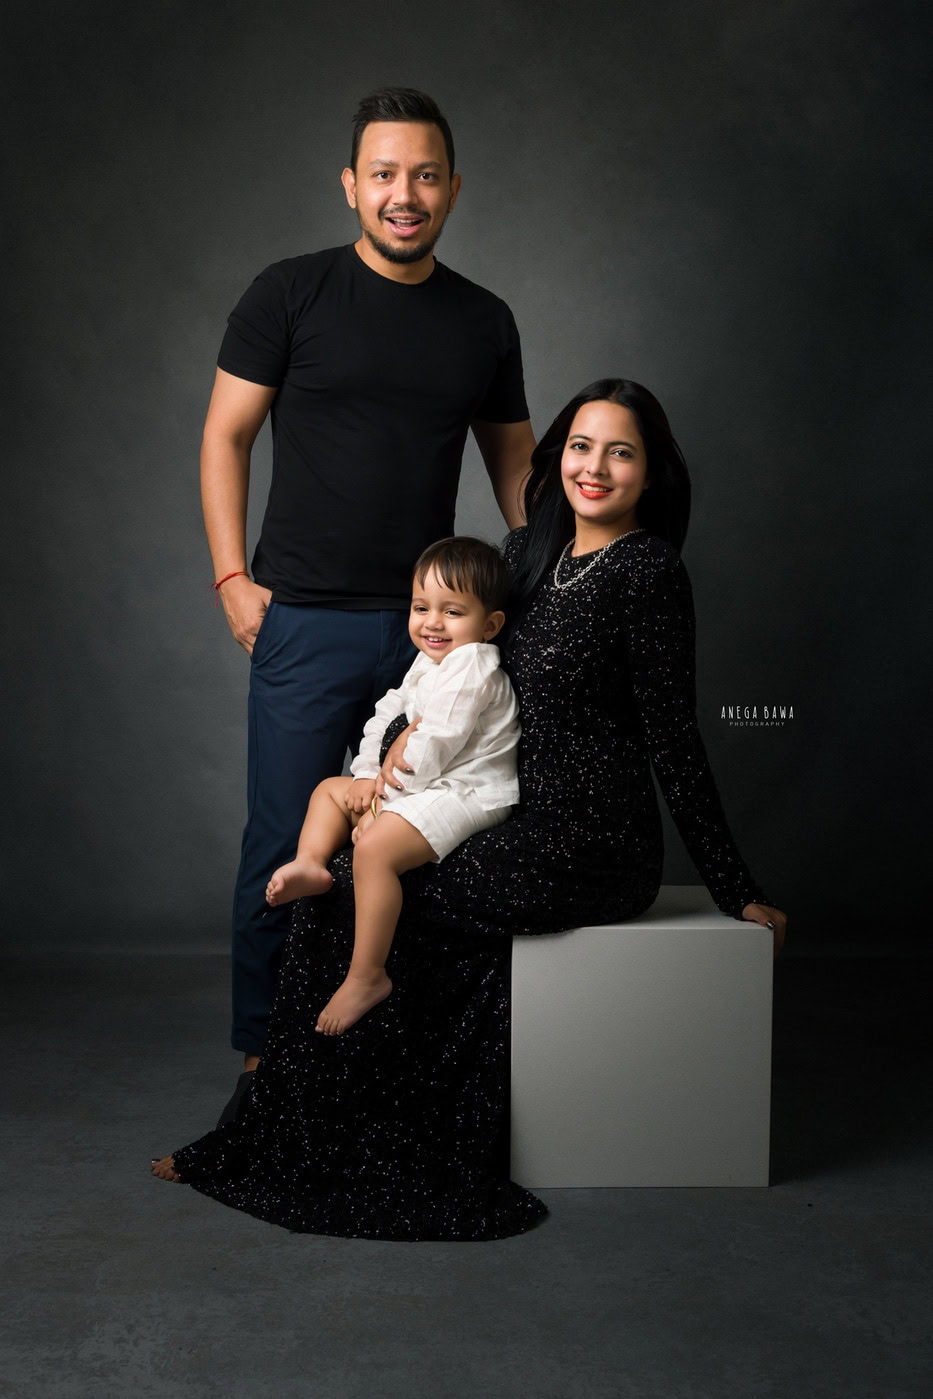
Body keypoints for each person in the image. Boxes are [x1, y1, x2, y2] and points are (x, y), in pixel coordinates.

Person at [152, 378, 787, 1242]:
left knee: (363, 892)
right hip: (498, 812)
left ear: (650, 472)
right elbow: (446, 666)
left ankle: (348, 1143)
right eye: (579, 445)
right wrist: (390, 758)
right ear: (555, 454)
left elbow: (673, 737)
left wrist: (732, 884)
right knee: (339, 877)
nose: (594, 467)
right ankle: (279, 1135)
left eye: (620, 451)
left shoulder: (647, 572)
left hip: (589, 838)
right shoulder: (527, 554)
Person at [202, 86, 535, 1119]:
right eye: (384, 174)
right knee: (289, 850)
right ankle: (267, 1067)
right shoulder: (288, 294)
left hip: (434, 639)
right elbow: (225, 437)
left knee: (414, 838)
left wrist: (553, 594)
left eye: (425, 175)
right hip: (301, 618)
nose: (405, 194)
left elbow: (519, 475)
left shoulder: (483, 321)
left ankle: (383, 1053)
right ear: (351, 185)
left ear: (453, 189)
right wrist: (231, 580)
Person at [264, 536, 520, 1035]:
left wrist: (384, 805)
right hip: (420, 785)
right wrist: (363, 779)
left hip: (467, 790)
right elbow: (388, 719)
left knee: (375, 849)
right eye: (421, 607)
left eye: (453, 612)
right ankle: (311, 862)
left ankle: (368, 974)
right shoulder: (428, 661)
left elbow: (435, 742)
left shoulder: (473, 666)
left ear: (489, 625)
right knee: (328, 791)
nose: (432, 623)